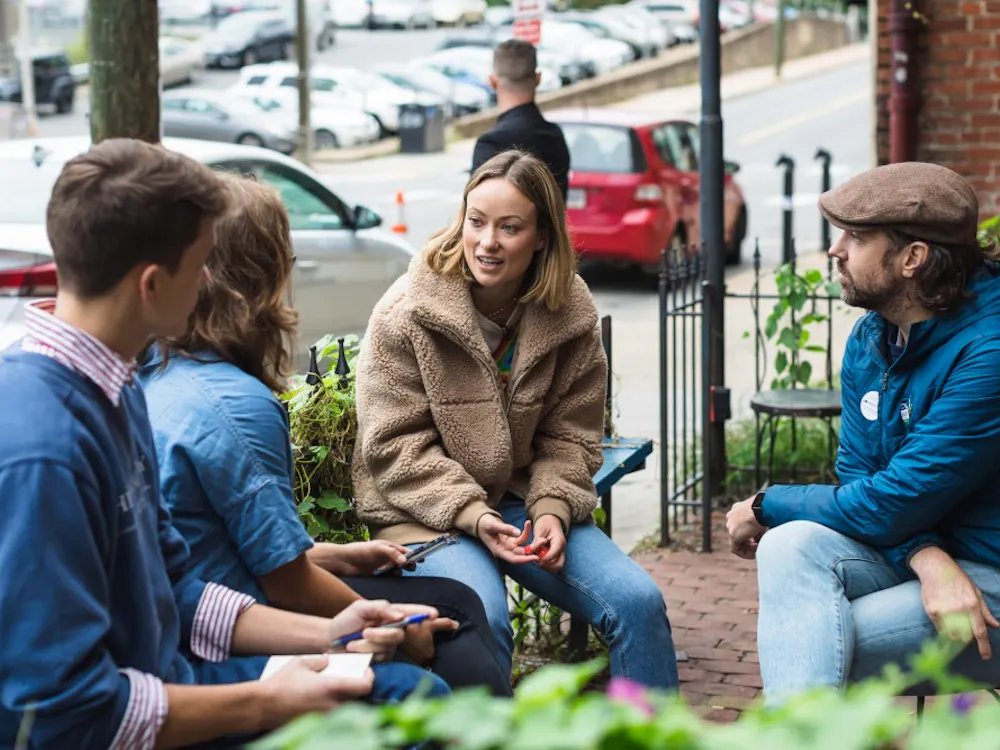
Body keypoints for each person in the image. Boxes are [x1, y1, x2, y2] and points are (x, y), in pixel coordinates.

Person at [0, 138, 446, 750]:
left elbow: (176, 590)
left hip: (169, 686)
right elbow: (62, 714)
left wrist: (328, 633)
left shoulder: (119, 381)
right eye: (202, 261)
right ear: (152, 285)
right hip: (130, 724)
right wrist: (264, 702)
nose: (211, 279)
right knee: (416, 709)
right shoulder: (42, 450)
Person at [139, 173, 512, 698]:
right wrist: (397, 634)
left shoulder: (157, 370)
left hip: (200, 613)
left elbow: (208, 546)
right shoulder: (238, 406)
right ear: (265, 276)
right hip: (225, 637)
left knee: (454, 600)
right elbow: (282, 585)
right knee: (449, 629)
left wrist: (326, 553)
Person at [352, 149, 679, 688]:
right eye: (476, 222)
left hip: (521, 499)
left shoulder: (569, 311)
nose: (487, 242)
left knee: (637, 602)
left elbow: (572, 436)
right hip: (425, 509)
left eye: (509, 228)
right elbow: (393, 447)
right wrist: (474, 515)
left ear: (542, 236)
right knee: (487, 621)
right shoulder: (406, 312)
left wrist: (552, 509)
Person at [725, 162, 1000, 706]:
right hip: (933, 558)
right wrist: (927, 556)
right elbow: (860, 472)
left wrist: (766, 502)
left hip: (990, 575)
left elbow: (891, 500)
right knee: (788, 544)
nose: (835, 249)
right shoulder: (873, 335)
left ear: (912, 259)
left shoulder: (988, 352)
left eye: (856, 236)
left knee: (819, 642)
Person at [471, 39, 571, 201]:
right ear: (538, 79)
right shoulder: (555, 136)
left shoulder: (492, 143)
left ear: (492, 82)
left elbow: (478, 210)